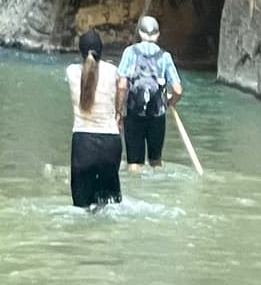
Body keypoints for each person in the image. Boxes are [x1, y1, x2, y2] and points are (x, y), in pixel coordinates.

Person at [66, 28, 123, 208]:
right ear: (101, 51)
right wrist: (119, 112)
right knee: (110, 205)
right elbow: (123, 85)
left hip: (83, 143)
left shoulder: (71, 71)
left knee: (82, 207)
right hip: (110, 142)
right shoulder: (113, 71)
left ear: (80, 52)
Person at [118, 14, 182, 169]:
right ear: (158, 34)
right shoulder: (165, 57)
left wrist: (119, 110)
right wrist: (170, 103)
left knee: (134, 162)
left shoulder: (130, 52)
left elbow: (122, 85)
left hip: (133, 113)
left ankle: (135, 182)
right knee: (156, 161)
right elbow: (178, 90)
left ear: (140, 33)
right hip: (157, 115)